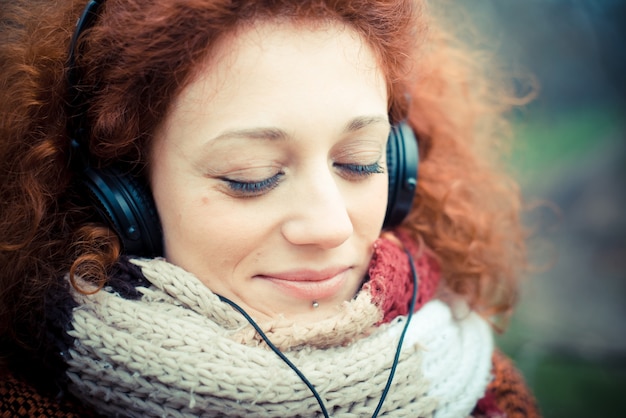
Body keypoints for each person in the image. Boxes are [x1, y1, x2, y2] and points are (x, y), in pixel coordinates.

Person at [0, 0, 539, 416]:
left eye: (358, 162)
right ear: (123, 193)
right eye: (251, 177)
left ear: (400, 165)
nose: (328, 227)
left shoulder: (488, 392)